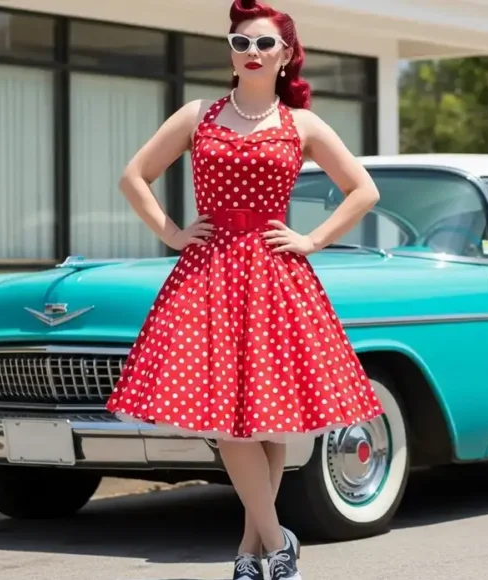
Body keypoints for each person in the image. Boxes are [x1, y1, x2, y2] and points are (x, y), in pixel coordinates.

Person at [103, 0, 386, 578]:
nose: (251, 53)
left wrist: (312, 240)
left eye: (263, 45)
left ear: (285, 56)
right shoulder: (197, 114)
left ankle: (250, 552)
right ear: (230, 54)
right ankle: (278, 539)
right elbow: (134, 176)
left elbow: (363, 190)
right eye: (241, 44)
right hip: (207, 276)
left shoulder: (301, 124)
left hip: (276, 276)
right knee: (225, 421)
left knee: (265, 417)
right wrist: (173, 232)